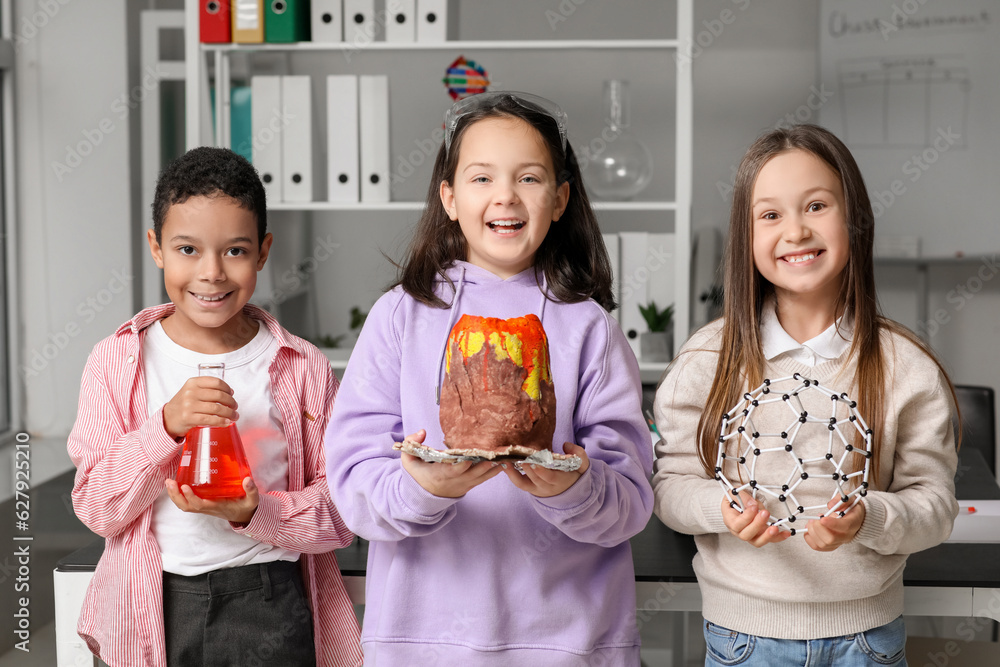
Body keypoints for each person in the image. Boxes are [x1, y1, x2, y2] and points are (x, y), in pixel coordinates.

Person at [324, 91, 654, 664]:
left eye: (529, 178)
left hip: (570, 642)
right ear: (449, 197)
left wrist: (573, 490)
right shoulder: (401, 316)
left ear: (560, 199)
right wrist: (424, 489)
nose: (505, 195)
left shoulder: (591, 328)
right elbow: (353, 484)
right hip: (424, 643)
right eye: (482, 178)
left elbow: (630, 499)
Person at [652, 124, 959, 666]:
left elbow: (933, 506)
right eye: (770, 215)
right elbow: (671, 487)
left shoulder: (905, 367)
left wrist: (868, 519)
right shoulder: (706, 359)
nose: (795, 230)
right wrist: (721, 510)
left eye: (816, 206)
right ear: (745, 237)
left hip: (866, 639)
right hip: (743, 639)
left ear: (855, 220)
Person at [68, 147, 362, 667]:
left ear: (263, 251)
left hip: (268, 598)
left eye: (235, 251)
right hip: (149, 604)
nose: (211, 273)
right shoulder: (116, 361)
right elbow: (97, 509)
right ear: (156, 247)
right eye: (187, 249)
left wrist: (256, 512)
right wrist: (164, 428)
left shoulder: (301, 366)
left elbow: (343, 513)